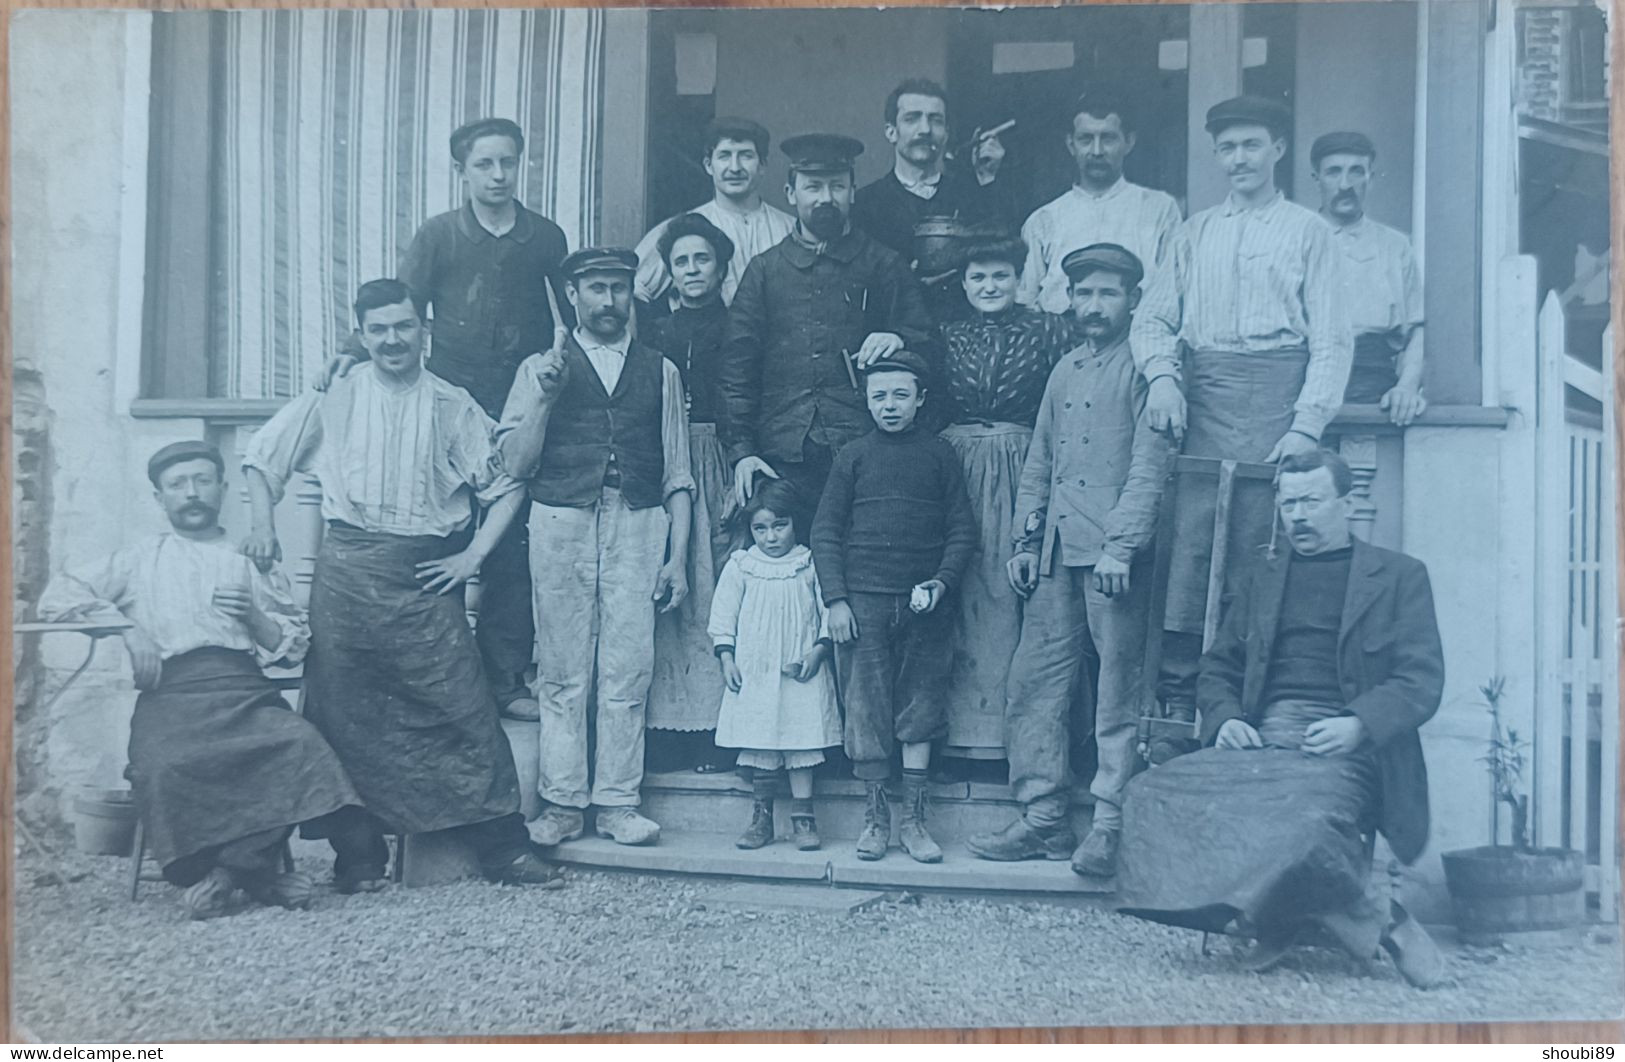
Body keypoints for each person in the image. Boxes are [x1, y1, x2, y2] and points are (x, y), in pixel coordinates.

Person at [243, 279, 562, 892]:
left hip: (423, 578)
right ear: (362, 336)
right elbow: (263, 459)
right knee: (344, 719)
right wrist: (263, 524)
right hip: (346, 578)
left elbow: (506, 486)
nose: (393, 340)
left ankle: (504, 848)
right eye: (379, 329)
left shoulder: (451, 403)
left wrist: (471, 556)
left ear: (425, 332)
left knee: (464, 707)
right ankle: (356, 859)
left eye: (404, 327)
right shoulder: (332, 394)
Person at [1117, 449, 1445, 989]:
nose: (1298, 515)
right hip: (1264, 740)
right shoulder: (1262, 576)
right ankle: (1375, 918)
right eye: (1288, 503)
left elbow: (1421, 680)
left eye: (1312, 501)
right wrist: (1224, 719)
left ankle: (1276, 916)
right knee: (1150, 794)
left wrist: (1358, 724)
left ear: (1346, 503)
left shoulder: (1400, 577)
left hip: (1346, 747)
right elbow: (1217, 666)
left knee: (1310, 823)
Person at [37, 442, 363, 920]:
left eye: (202, 481)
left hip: (242, 691)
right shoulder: (138, 559)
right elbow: (56, 598)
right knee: (162, 765)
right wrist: (127, 630)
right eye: (177, 485)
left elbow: (294, 645)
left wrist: (254, 615)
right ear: (159, 497)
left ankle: (228, 876)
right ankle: (260, 878)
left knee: (301, 746)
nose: (192, 493)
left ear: (222, 489)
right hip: (170, 696)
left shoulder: (250, 557)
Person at [321, 117, 573, 722]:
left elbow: (568, 322)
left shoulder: (544, 237)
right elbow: (398, 309)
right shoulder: (439, 235)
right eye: (483, 164)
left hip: (519, 406)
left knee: (513, 540)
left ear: (520, 166)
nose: (497, 175)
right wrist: (347, 355)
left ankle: (505, 677)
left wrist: (552, 388)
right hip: (448, 404)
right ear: (461, 171)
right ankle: (445, 678)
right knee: (449, 534)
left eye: (507, 163)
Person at [1130, 95, 1353, 759]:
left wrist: (1306, 423)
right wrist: (1163, 378)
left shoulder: (1309, 231)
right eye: (1227, 148)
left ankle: (1258, 712)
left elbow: (1334, 339)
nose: (1238, 160)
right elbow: (1150, 320)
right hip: (1204, 414)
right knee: (1192, 564)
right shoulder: (1193, 232)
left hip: (1280, 418)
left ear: (1277, 150)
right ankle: (1180, 718)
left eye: (1250, 145)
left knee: (1265, 562)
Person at [965, 244, 1172, 877]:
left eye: (1107, 294)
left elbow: (1151, 465)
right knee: (1033, 685)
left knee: (1117, 691)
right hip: (1055, 554)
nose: (1093, 306)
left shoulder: (1147, 369)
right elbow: (1040, 465)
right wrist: (1026, 543)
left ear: (1132, 301)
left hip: (1114, 559)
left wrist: (1123, 544)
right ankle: (1043, 817)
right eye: (1083, 294)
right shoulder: (1065, 370)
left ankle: (1110, 823)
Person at [495, 248, 695, 848]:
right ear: (574, 296)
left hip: (638, 520)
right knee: (560, 670)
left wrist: (678, 557)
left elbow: (678, 474)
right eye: (596, 289)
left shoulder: (660, 369)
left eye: (618, 289)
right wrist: (546, 397)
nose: (608, 302)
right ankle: (560, 804)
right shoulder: (541, 366)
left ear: (632, 295)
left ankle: (616, 803)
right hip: (560, 519)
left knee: (628, 667)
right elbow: (515, 463)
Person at [722, 132, 937, 535]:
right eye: (813, 186)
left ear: (853, 192)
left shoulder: (883, 264)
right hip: (781, 454)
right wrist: (742, 453)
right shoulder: (764, 271)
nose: (826, 197)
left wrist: (900, 341)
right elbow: (737, 370)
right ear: (790, 192)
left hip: (865, 450)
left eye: (837, 186)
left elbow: (926, 344)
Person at [811, 352, 977, 863]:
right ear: (866, 398)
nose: (889, 405)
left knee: (921, 706)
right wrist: (837, 601)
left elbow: (961, 530)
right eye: (879, 395)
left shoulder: (939, 455)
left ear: (920, 399)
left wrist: (942, 584)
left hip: (925, 605)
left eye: (901, 395)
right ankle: (875, 819)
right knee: (865, 708)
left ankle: (914, 822)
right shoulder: (853, 456)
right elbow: (825, 532)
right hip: (864, 603)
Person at [936, 235, 1083, 761]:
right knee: (965, 589)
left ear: (1020, 280)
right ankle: (960, 737)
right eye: (978, 277)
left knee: (1010, 591)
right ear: (963, 283)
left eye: (1000, 276)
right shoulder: (949, 335)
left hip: (1023, 462)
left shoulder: (1049, 330)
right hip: (959, 463)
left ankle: (1009, 742)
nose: (989, 286)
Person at [641, 214, 738, 759]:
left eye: (703, 259)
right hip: (669, 462)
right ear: (670, 273)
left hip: (723, 459)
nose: (693, 269)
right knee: (674, 589)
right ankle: (670, 730)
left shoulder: (743, 326)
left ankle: (719, 727)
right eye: (681, 261)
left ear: (722, 267)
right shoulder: (656, 334)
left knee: (718, 585)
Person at [708, 479, 841, 851]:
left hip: (800, 668)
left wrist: (819, 650)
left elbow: (827, 610)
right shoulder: (742, 566)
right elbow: (723, 615)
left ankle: (803, 817)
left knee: (801, 739)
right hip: (756, 669)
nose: (770, 537)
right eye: (760, 529)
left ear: (795, 522)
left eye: (779, 525)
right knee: (761, 738)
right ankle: (761, 817)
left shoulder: (808, 563)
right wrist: (727, 657)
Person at [1018, 90, 1182, 315]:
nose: (1096, 151)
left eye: (1108, 138)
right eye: (1086, 139)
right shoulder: (1043, 219)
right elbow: (1026, 299)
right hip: (1059, 336)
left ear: (1129, 142)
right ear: (1070, 144)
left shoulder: (1159, 208)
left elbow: (1173, 288)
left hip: (1135, 336)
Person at [1310, 131, 1428, 424]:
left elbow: (1416, 329)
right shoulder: (1295, 239)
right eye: (1333, 172)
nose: (1345, 185)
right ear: (1317, 178)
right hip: (1305, 379)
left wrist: (1406, 386)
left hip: (1372, 385)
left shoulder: (1396, 246)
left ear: (1370, 178)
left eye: (1356, 172)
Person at [633, 117, 795, 307]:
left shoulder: (791, 229)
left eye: (746, 156)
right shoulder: (680, 229)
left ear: (762, 166)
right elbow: (632, 288)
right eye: (724, 156)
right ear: (709, 165)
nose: (735, 168)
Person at [852, 78, 1005, 260]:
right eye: (912, 119)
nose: (925, 129)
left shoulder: (971, 197)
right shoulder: (864, 204)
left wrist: (987, 177)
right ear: (891, 132)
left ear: (946, 133)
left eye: (936, 120)